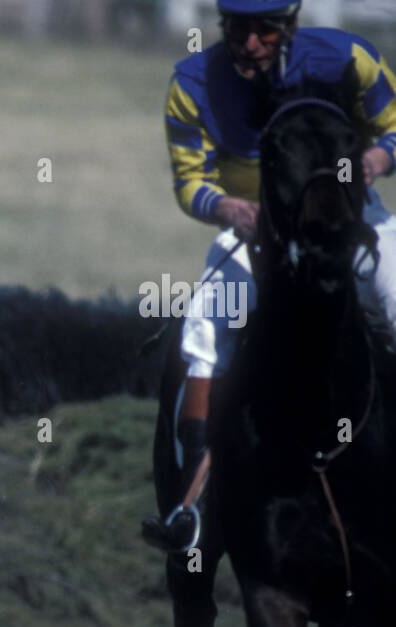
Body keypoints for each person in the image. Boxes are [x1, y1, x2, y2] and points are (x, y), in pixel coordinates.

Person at [144, 0, 396, 552]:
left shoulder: (351, 59)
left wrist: (374, 161)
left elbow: (393, 127)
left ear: (291, 27)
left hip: (348, 216)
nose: (250, 43)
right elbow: (190, 181)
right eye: (238, 29)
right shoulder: (191, 83)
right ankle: (194, 506)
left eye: (264, 30)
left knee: (395, 292)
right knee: (203, 329)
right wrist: (229, 209)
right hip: (254, 226)